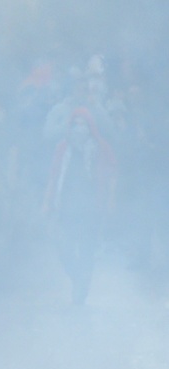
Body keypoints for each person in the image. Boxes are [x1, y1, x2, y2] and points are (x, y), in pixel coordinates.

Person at [43, 107, 116, 305]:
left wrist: (110, 202)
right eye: (76, 123)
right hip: (66, 205)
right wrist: (47, 202)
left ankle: (81, 290)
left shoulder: (102, 148)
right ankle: (77, 276)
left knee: (87, 249)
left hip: (92, 207)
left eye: (83, 124)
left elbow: (112, 177)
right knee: (62, 246)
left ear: (90, 126)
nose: (79, 128)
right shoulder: (62, 148)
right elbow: (54, 175)